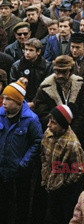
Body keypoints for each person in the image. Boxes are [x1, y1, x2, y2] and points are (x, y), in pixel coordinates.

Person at [0, 79, 43, 224]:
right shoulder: (0, 114)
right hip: (2, 166)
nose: (4, 102)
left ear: (18, 102)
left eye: (8, 99)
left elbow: (37, 142)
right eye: (3, 98)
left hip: (20, 170)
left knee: (22, 203)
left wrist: (23, 163)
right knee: (3, 203)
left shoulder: (31, 119)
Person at [41, 104, 84, 224]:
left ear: (63, 125)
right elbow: (43, 155)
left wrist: (65, 182)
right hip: (49, 182)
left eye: (53, 122)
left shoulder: (73, 145)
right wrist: (46, 173)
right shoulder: (48, 133)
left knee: (64, 216)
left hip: (64, 190)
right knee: (52, 214)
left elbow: (79, 169)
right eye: (49, 121)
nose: (48, 125)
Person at [33, 55, 84, 146]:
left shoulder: (80, 85)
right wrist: (58, 125)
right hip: (53, 134)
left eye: (64, 72)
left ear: (70, 71)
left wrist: (72, 130)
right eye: (57, 71)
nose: (60, 75)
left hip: (77, 135)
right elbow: (41, 113)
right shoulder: (45, 88)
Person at [10, 38, 53, 103]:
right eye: (26, 49)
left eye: (31, 50)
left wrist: (34, 103)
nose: (27, 53)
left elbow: (48, 88)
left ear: (38, 52)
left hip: (41, 102)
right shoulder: (16, 66)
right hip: (20, 101)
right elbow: (12, 85)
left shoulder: (47, 66)